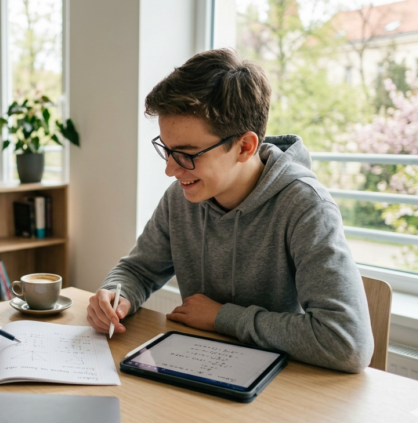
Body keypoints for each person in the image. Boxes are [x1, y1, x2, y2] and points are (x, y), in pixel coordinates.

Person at [86, 48, 374, 373]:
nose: (170, 170)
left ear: (245, 146)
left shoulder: (306, 207)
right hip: (196, 368)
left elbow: (347, 343)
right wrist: (114, 295)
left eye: (187, 153)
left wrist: (222, 317)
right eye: (166, 150)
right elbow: (139, 270)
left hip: (283, 388)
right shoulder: (182, 196)